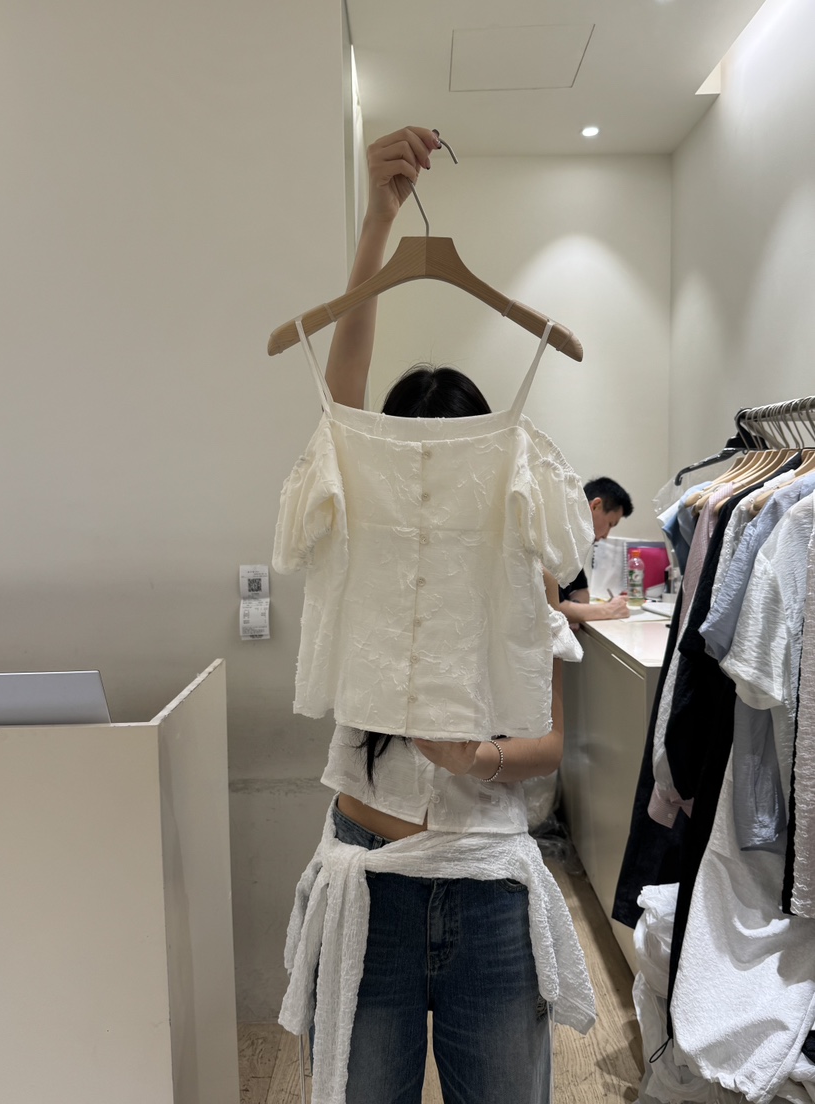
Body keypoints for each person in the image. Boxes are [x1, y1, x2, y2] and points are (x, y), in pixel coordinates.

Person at [274, 126, 595, 1104]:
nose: (428, 492)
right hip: (367, 882)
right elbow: (341, 414)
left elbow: (551, 741)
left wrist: (475, 757)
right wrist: (375, 226)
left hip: (489, 885)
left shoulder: (511, 546)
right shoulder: (362, 524)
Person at [555, 476, 634, 625]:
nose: (606, 536)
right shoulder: (553, 540)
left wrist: (576, 611)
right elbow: (552, 608)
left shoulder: (574, 547)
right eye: (610, 524)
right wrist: (609, 610)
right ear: (596, 506)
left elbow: (581, 590)